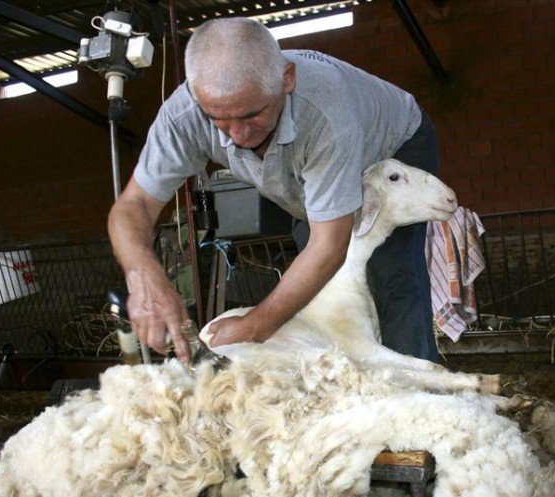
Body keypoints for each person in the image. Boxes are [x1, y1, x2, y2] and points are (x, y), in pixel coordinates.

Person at [108, 17, 441, 365]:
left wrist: (255, 325)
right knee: (321, 288)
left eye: (252, 114)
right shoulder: (184, 116)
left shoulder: (326, 112)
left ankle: (418, 389)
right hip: (308, 169)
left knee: (391, 270)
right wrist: (142, 272)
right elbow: (134, 205)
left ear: (287, 79)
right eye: (218, 119)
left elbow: (328, 246)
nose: (238, 136)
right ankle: (344, 378)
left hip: (393, 148)